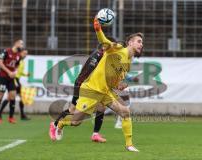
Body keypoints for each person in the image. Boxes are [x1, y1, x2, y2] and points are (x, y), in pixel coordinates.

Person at [49, 17, 143, 152]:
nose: (141, 44)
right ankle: (60, 123)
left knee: (125, 111)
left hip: (105, 92)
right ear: (130, 42)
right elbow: (104, 41)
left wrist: (119, 85)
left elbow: (114, 82)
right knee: (75, 122)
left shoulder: (127, 64)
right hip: (92, 90)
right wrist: (98, 29)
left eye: (142, 42)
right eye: (139, 41)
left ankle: (129, 145)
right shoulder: (117, 49)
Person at [0, 39, 24, 124]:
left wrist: (15, 72)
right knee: (0, 95)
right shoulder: (6, 51)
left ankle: (11, 117)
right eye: (21, 44)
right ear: (16, 43)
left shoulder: (18, 55)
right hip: (3, 77)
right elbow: (0, 62)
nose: (22, 46)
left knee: (13, 95)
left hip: (11, 78)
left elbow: (17, 66)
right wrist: (9, 72)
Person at [0, 49, 30, 120]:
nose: (25, 55)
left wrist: (25, 74)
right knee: (9, 97)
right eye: (24, 53)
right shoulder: (17, 60)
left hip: (17, 80)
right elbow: (13, 71)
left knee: (21, 97)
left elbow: (19, 72)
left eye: (26, 54)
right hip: (14, 80)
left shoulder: (22, 61)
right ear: (20, 53)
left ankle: (22, 115)